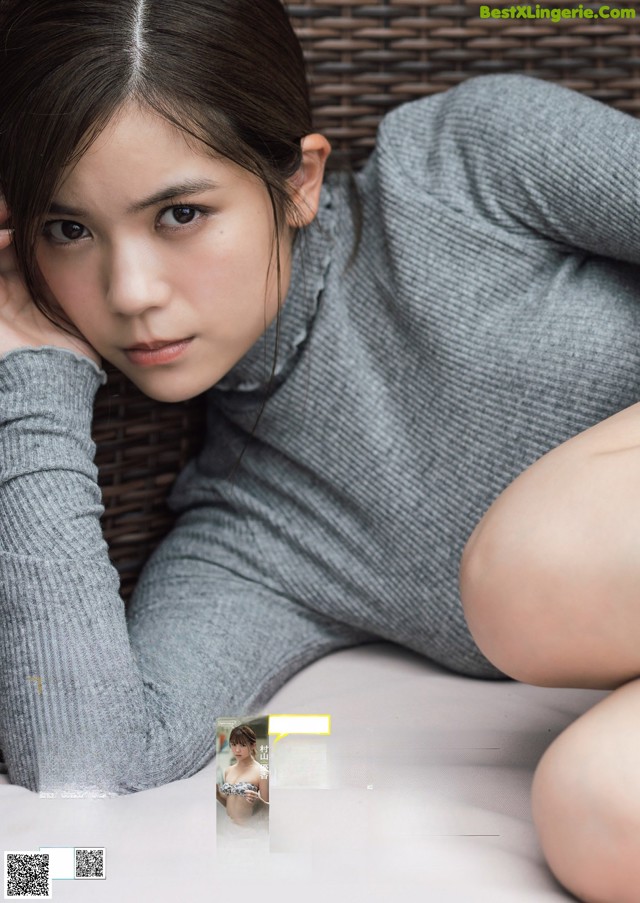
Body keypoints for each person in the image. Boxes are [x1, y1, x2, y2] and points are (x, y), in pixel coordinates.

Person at [0, 0, 639, 898]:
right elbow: (90, 762)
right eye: (68, 230)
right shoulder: (247, 536)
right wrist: (32, 370)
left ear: (299, 181)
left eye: (180, 213)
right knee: (595, 811)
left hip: (537, 568)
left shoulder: (465, 168)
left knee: (530, 575)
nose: (130, 291)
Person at [216, 724, 269, 826]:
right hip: (229, 827)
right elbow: (231, 804)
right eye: (233, 744)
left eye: (243, 745)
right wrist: (218, 795)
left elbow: (268, 811)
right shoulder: (228, 771)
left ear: (253, 745)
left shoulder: (262, 772)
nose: (237, 750)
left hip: (249, 829)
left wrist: (259, 802)